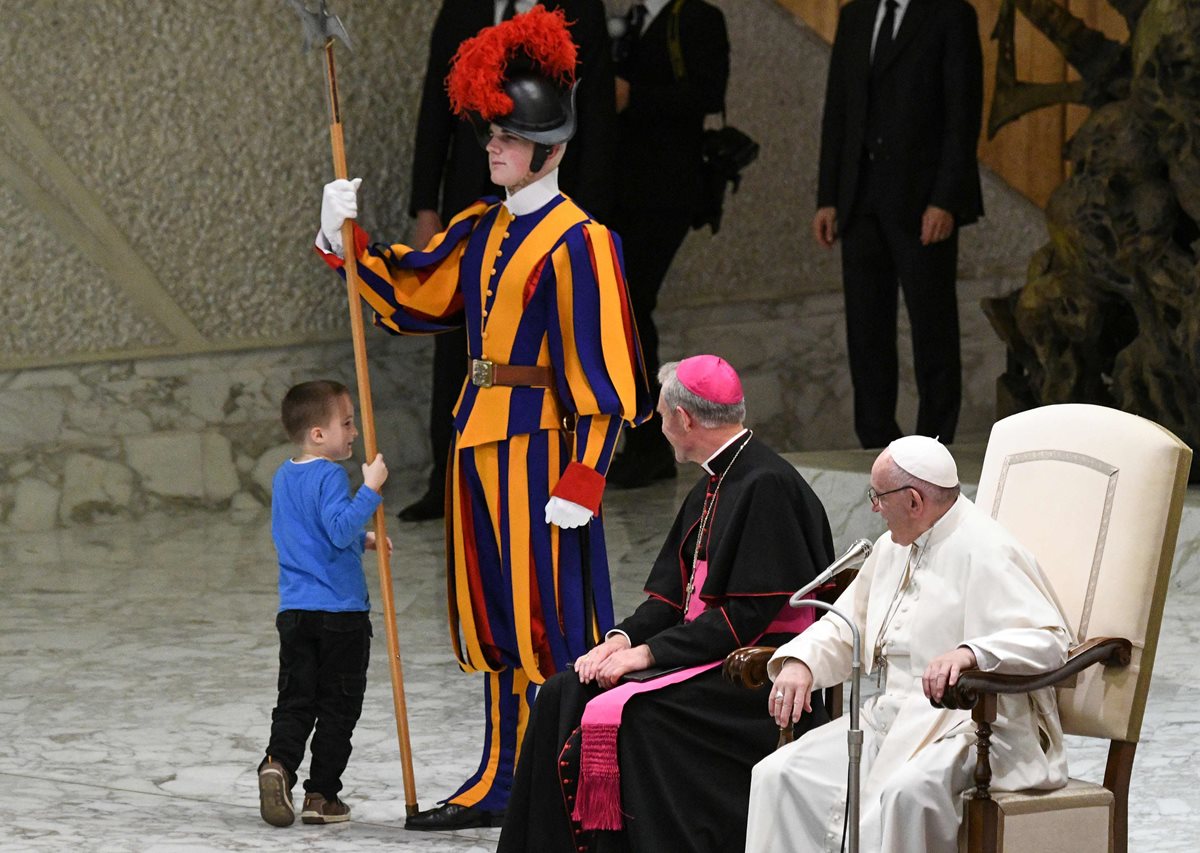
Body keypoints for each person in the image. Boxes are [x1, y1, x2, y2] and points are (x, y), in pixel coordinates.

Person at [315, 7, 651, 830]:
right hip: (479, 444)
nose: (489, 147)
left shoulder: (583, 242)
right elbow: (415, 294)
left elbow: (610, 382)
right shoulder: (482, 226)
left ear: (549, 145)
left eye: (505, 136)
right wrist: (344, 240)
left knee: (552, 626)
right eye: (489, 134)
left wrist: (584, 476)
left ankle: (560, 778)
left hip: (543, 457)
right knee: (495, 624)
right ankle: (503, 776)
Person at [498, 355, 835, 853]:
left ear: (685, 419)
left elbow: (743, 619)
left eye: (661, 417)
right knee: (562, 692)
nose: (660, 428)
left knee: (635, 720)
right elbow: (670, 600)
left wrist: (649, 656)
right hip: (706, 654)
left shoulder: (767, 486)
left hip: (750, 674)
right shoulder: (714, 483)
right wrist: (620, 641)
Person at [746, 435, 1072, 853]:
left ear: (915, 501)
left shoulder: (989, 550)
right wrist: (802, 663)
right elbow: (848, 625)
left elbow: (1049, 641)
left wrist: (972, 653)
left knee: (906, 793)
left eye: (878, 496)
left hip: (966, 727)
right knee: (779, 775)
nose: (873, 508)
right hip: (887, 721)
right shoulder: (890, 548)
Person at [401, 0, 618, 521]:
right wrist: (424, 205)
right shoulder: (463, 8)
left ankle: (556, 470)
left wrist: (590, 211)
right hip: (471, 199)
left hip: (550, 197)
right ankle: (448, 475)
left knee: (552, 341)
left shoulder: (580, 9)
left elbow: (598, 113)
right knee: (458, 339)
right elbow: (437, 106)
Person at [812, 0, 984, 449]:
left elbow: (963, 114)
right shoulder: (855, 15)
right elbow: (839, 108)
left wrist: (945, 200)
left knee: (933, 328)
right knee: (866, 331)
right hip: (859, 200)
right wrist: (828, 196)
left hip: (922, 203)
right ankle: (876, 442)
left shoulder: (950, 15)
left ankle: (934, 445)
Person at [605, 0, 730, 488]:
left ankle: (650, 444)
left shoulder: (697, 17)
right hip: (622, 194)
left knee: (634, 307)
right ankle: (643, 440)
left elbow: (705, 92)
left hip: (664, 193)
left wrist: (634, 95)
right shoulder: (627, 24)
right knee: (626, 311)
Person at [257, 380, 389, 828]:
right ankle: (321, 795)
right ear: (318, 434)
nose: (353, 432)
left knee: (295, 699)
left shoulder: (284, 474)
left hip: (295, 612)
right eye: (347, 423)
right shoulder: (332, 474)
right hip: (341, 615)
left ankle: (277, 764)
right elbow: (335, 528)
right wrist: (369, 490)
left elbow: (309, 534)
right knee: (338, 705)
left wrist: (362, 539)